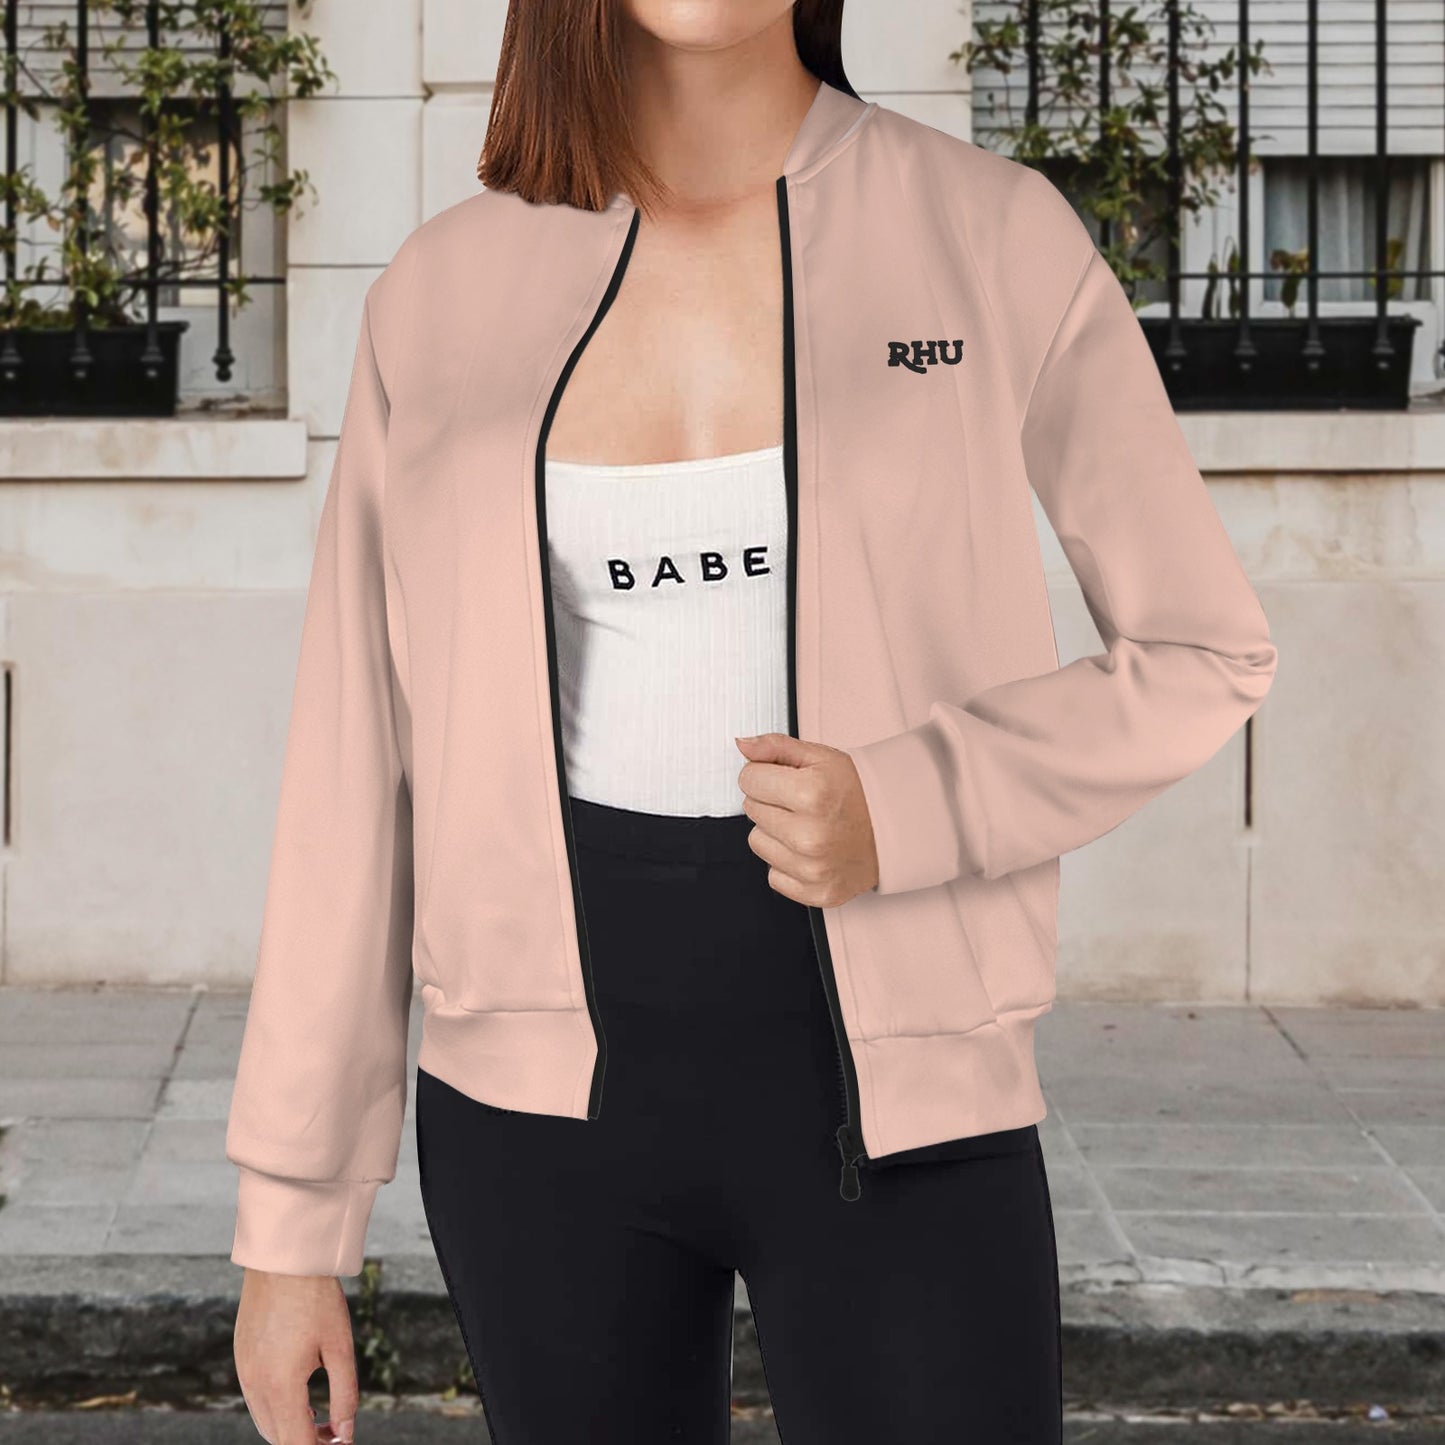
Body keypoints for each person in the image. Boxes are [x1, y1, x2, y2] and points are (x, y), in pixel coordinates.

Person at [227, 3, 1279, 1442]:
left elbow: (1203, 648)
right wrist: (293, 1222)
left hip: (907, 1103)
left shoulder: (989, 235)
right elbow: (355, 759)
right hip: (536, 1122)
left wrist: (912, 804)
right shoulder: (441, 288)